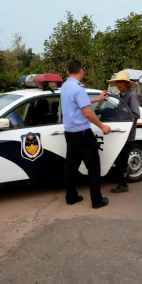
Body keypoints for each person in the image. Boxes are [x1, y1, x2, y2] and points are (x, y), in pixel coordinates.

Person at [61, 59, 111, 209]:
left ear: (68, 72)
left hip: (70, 133)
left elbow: (81, 102)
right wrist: (102, 126)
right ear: (81, 71)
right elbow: (87, 112)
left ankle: (71, 196)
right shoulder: (78, 88)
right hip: (82, 134)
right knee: (93, 166)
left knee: (70, 166)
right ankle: (97, 200)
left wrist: (98, 98)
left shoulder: (65, 86)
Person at [107, 71, 141, 193]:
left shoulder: (131, 96)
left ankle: (123, 185)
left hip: (127, 134)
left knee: (122, 159)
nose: (119, 84)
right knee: (120, 158)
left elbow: (136, 114)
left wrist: (121, 118)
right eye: (118, 82)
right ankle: (122, 181)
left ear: (127, 83)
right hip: (121, 132)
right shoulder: (121, 96)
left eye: (122, 82)